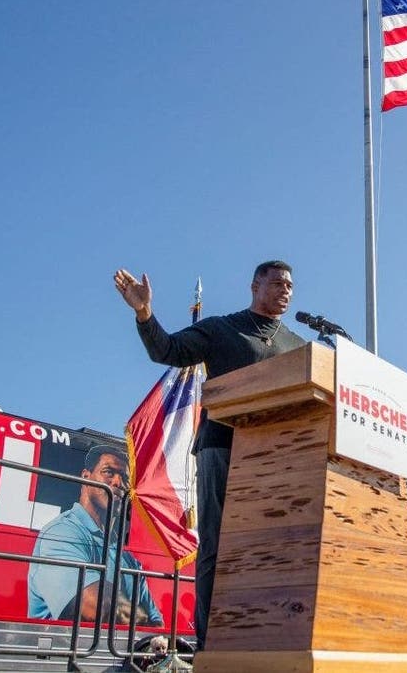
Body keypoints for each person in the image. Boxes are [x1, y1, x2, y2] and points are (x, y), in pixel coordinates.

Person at [115, 260, 306, 648]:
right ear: (255, 286)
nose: (285, 290)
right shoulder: (221, 329)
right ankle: (210, 642)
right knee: (217, 546)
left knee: (271, 548)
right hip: (222, 447)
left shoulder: (299, 347)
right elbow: (165, 349)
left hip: (276, 457)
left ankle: (261, 636)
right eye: (277, 283)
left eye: (290, 285)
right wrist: (144, 313)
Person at [28, 445, 163, 625]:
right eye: (108, 472)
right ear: (86, 477)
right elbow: (96, 607)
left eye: (125, 477)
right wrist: (143, 625)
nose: (117, 482)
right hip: (67, 651)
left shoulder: (127, 559)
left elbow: (157, 622)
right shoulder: (61, 532)